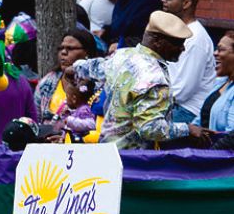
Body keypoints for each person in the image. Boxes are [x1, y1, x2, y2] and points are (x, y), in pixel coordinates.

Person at [73, 11, 210, 149]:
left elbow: (92, 68)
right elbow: (150, 129)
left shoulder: (123, 56)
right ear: (157, 41)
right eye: (178, 43)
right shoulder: (154, 78)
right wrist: (188, 129)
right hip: (135, 159)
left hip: (108, 150)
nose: (183, 48)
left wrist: (74, 68)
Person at [159, 0, 220, 124]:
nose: (163, 0)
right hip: (172, 105)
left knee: (139, 129)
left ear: (186, 3)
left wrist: (151, 102)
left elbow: (182, 91)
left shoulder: (195, 38)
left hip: (187, 111)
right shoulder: (178, 32)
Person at [34, 28, 102, 122]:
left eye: (70, 48)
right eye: (61, 48)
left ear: (87, 52)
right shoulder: (47, 83)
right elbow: (36, 119)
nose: (63, 52)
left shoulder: (99, 86)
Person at [200, 31, 234, 135]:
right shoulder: (220, 83)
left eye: (221, 49)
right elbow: (199, 121)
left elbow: (230, 135)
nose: (215, 53)